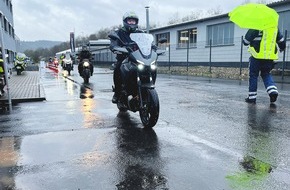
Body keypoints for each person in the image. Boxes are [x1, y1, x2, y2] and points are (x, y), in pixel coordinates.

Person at [243, 27, 286, 104]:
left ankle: (252, 98)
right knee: (266, 74)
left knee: (253, 76)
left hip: (256, 56)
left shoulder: (255, 25)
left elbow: (246, 41)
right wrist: (282, 48)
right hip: (269, 57)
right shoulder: (273, 27)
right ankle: (273, 92)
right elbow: (281, 40)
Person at [109, 11, 143, 103]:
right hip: (123, 57)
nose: (132, 23)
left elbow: (148, 43)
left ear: (136, 22)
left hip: (138, 58)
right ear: (125, 21)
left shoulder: (140, 33)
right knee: (117, 68)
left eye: (133, 21)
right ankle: (117, 92)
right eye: (130, 21)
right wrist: (115, 47)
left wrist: (154, 47)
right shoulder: (118, 33)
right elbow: (113, 43)